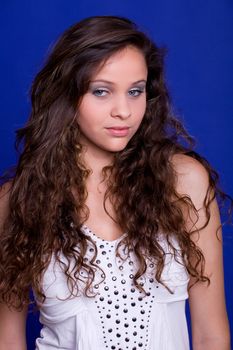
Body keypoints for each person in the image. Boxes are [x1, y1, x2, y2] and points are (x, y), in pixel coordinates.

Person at [0, 15, 231, 350]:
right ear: (67, 94)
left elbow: (212, 335)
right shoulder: (17, 200)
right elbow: (7, 340)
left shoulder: (184, 183)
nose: (124, 110)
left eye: (135, 91)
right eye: (102, 91)